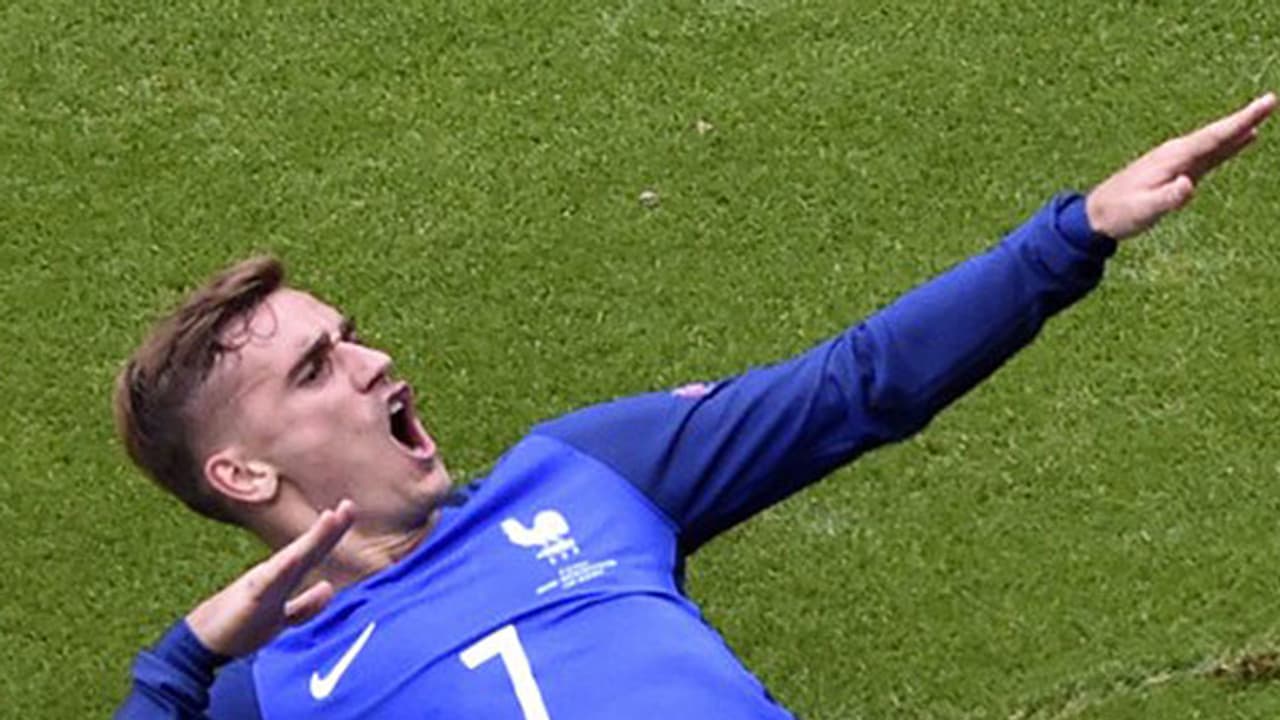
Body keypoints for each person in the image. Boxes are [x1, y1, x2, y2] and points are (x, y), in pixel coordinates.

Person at [116, 94, 1275, 719]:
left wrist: (1073, 234)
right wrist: (179, 665)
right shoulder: (265, 692)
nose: (371, 362)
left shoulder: (582, 475)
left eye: (348, 335)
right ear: (243, 474)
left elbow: (856, 384)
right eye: (314, 370)